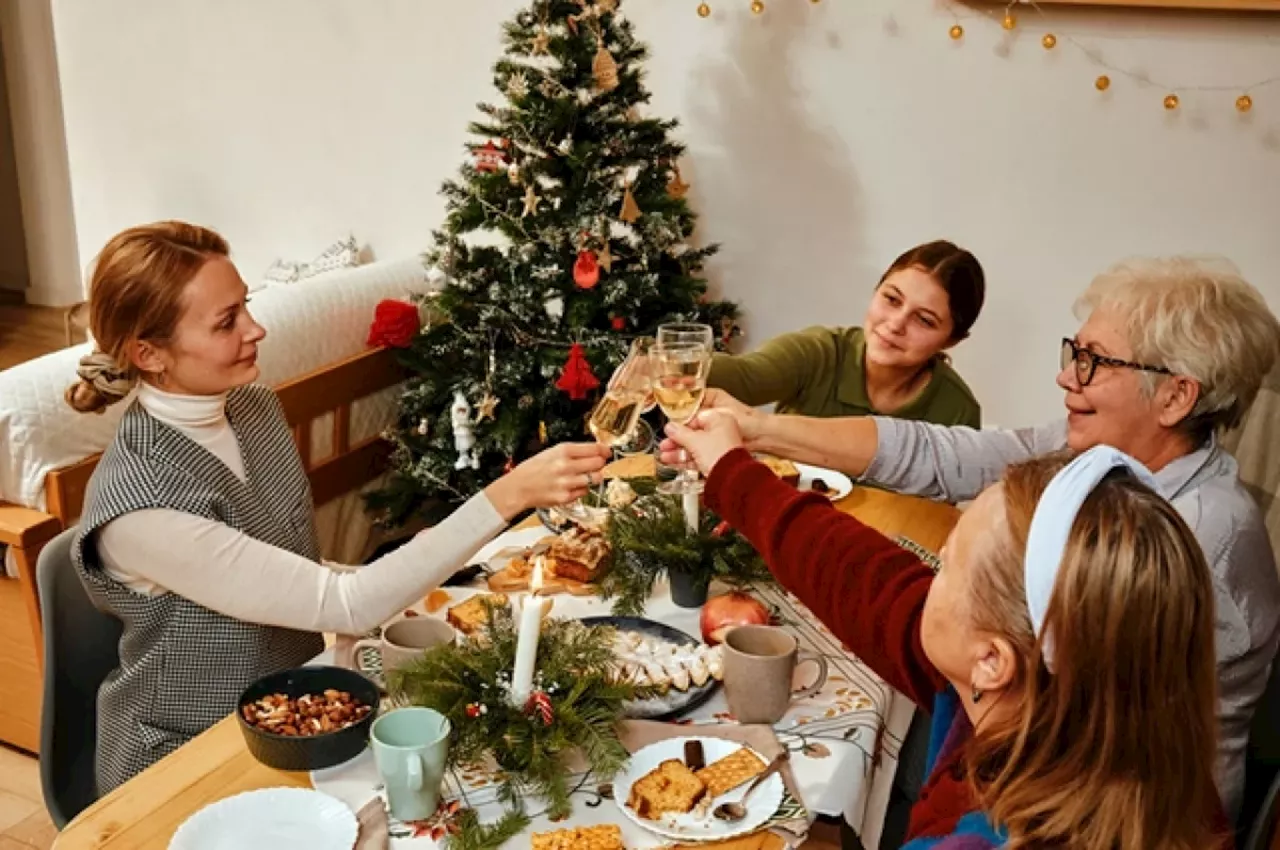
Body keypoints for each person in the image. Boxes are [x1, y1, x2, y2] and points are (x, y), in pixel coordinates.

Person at [688, 255, 1280, 821]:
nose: (1065, 375)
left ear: (1176, 396)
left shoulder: (1193, 538)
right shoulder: (1101, 458)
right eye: (1074, 352)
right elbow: (943, 454)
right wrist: (758, 429)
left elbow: (937, 636)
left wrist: (741, 480)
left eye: (1094, 362)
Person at [65, 221, 611, 794]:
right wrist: (509, 495)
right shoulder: (140, 509)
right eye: (227, 322)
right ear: (148, 353)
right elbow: (342, 605)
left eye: (245, 305)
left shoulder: (251, 409)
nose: (257, 328)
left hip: (305, 709)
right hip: (192, 751)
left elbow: (296, 572)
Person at [662, 413, 1227, 848]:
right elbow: (863, 577)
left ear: (991, 660)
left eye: (946, 565)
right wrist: (731, 469)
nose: (925, 576)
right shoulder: (1102, 718)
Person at [707, 240, 985, 427]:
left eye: (924, 320)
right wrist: (669, 361)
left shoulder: (957, 411)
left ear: (951, 340)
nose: (896, 324)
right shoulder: (818, 353)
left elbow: (939, 511)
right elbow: (743, 376)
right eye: (891, 299)